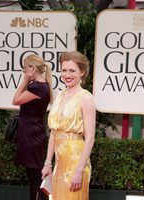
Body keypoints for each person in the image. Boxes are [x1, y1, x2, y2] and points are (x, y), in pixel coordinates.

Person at [42, 51, 96, 200]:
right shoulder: (60, 95)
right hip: (59, 163)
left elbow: (90, 138)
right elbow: (54, 132)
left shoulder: (86, 98)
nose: (67, 74)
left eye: (72, 70)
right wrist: (48, 163)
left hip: (76, 161)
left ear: (82, 72)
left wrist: (79, 171)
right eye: (64, 70)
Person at [12, 54, 53, 200]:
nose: (23, 72)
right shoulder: (41, 86)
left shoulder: (37, 87)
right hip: (32, 134)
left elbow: (15, 100)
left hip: (31, 136)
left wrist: (25, 80)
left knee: (36, 177)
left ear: (32, 68)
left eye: (25, 68)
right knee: (33, 176)